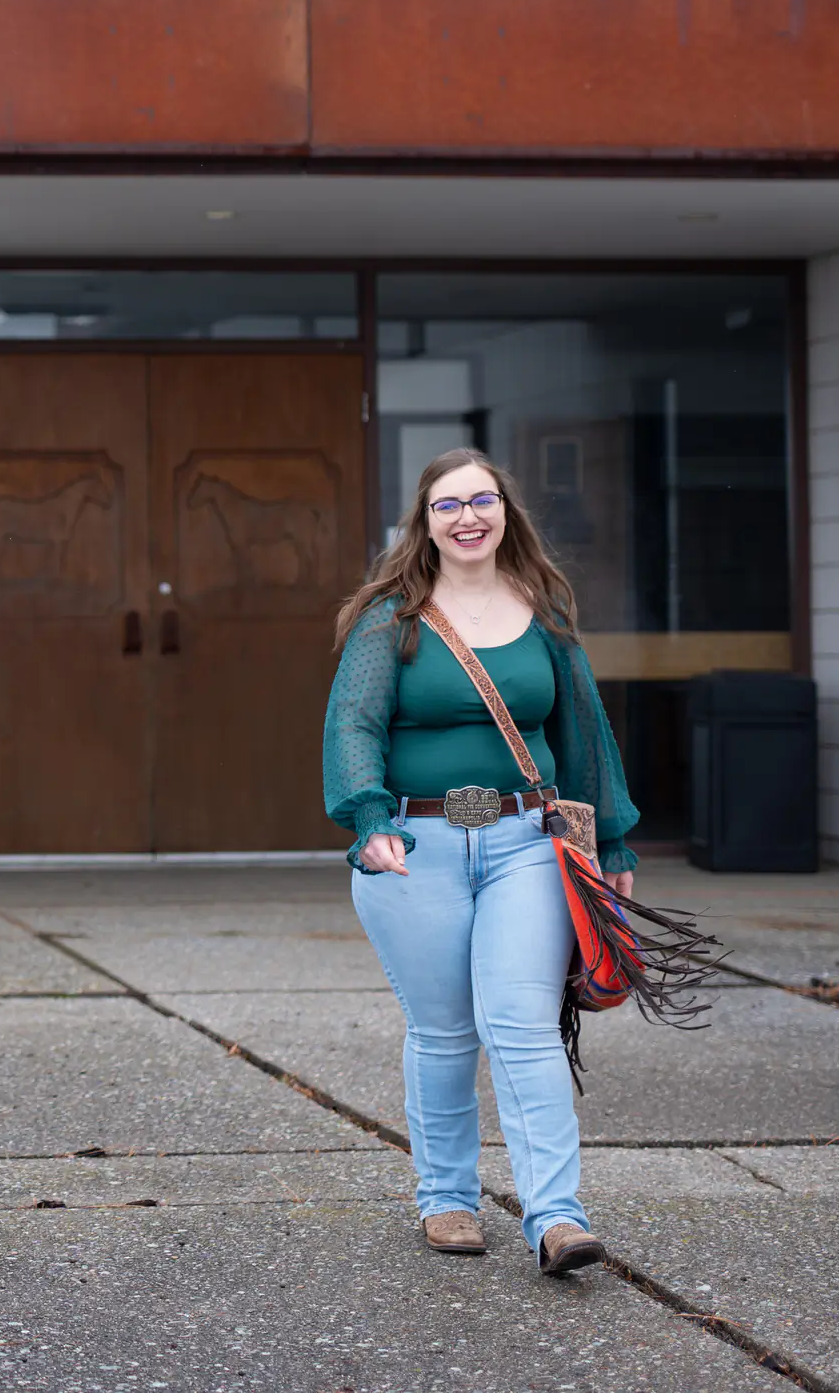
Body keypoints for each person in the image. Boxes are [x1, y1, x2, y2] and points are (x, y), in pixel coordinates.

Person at [322, 447, 638, 1275]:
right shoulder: (390, 617)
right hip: (416, 844)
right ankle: (448, 1198)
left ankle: (557, 1216)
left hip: (525, 841)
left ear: (505, 511)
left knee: (524, 1028)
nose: (468, 517)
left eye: (482, 500)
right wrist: (367, 817)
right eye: (447, 504)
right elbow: (353, 724)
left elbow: (584, 735)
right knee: (444, 1032)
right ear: (423, 523)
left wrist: (613, 838)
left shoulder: (545, 609)